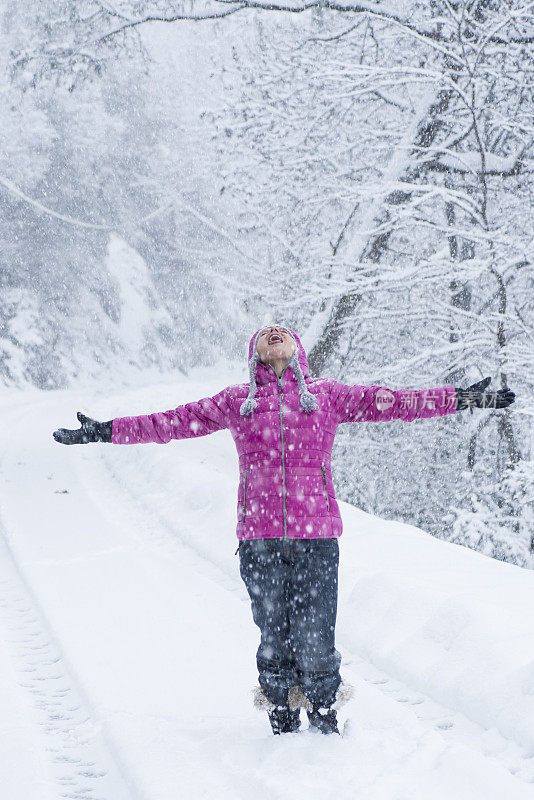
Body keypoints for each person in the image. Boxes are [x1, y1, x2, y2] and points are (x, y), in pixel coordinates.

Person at [53, 325, 515, 735]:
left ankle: (325, 718)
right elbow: (170, 422)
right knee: (273, 636)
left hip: (316, 539)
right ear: (255, 352)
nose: (274, 332)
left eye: (283, 330)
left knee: (315, 640)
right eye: (265, 332)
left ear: (297, 348)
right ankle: (280, 721)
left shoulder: (327, 395)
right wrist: (106, 431)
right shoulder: (237, 403)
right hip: (260, 538)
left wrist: (461, 398)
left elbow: (393, 401)